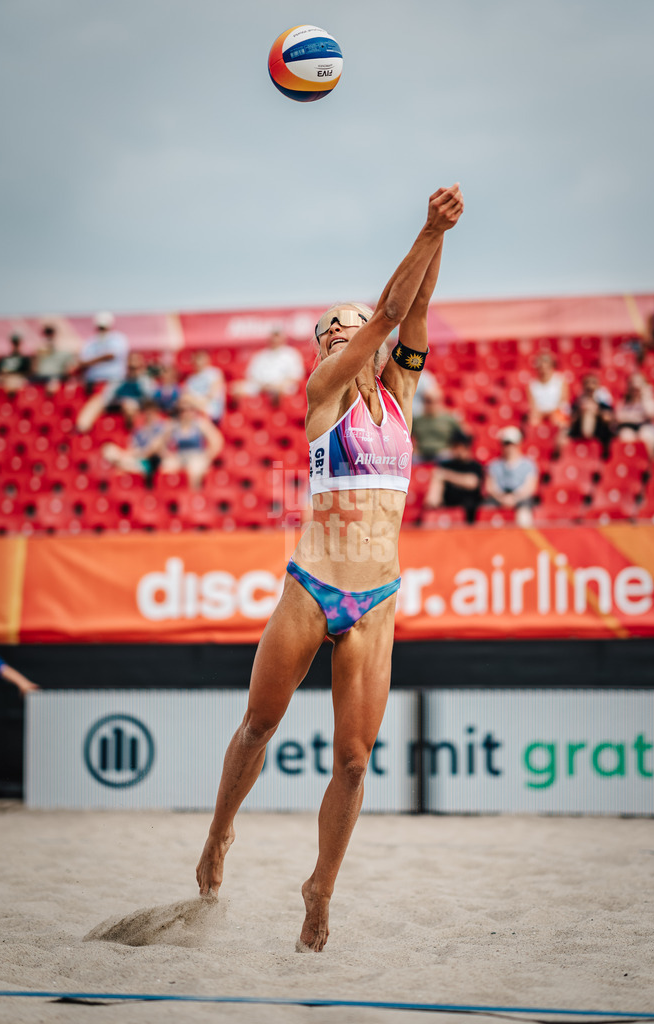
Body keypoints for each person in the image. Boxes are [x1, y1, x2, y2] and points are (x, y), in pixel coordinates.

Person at [195, 184, 464, 952]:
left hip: (377, 596)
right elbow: (386, 315)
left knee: (352, 763)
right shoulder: (322, 394)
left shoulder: (401, 392)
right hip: (312, 586)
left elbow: (408, 318)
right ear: (322, 351)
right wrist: (423, 228)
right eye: (330, 333)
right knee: (259, 725)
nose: (345, 337)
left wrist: (439, 239)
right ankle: (219, 836)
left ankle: (320, 888)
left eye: (349, 331)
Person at [75, 312, 130, 432]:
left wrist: (91, 360)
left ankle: (83, 424)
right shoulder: (90, 342)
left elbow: (110, 355)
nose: (102, 329)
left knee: (100, 398)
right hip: (93, 383)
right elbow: (81, 361)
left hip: (114, 382)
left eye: (104, 327)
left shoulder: (118, 338)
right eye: (100, 327)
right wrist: (98, 358)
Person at [160, 395, 223, 488]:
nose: (186, 413)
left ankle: (193, 498)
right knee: (165, 468)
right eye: (182, 410)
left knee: (194, 471)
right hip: (179, 456)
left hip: (196, 456)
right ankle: (167, 496)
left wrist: (207, 456)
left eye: (189, 409)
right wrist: (167, 454)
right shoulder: (173, 425)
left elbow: (216, 441)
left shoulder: (201, 424)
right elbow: (160, 443)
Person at [423, 432, 483, 523]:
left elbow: (472, 482)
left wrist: (446, 475)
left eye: (460, 446)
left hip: (470, 513)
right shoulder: (445, 465)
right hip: (447, 509)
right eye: (455, 446)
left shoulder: (475, 466)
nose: (458, 450)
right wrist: (433, 502)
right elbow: (432, 499)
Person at [484, 426, 538, 527]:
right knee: (486, 510)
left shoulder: (528, 465)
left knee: (524, 514)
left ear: (519, 444)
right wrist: (503, 499)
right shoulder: (494, 465)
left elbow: (530, 488)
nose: (509, 447)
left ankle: (523, 540)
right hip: (499, 497)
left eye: (512, 444)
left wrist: (514, 498)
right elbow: (490, 487)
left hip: (521, 498)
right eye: (506, 444)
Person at [101, 398, 167, 478]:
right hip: (135, 460)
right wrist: (128, 454)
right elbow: (132, 448)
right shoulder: (139, 429)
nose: (149, 414)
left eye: (151, 411)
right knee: (109, 450)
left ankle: (121, 467)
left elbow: (152, 451)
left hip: (150, 465)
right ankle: (121, 468)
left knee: (121, 462)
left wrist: (130, 454)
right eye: (147, 411)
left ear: (156, 412)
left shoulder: (162, 427)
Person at [235, 329, 305, 401]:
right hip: (260, 386)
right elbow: (251, 376)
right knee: (237, 389)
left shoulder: (291, 354)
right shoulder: (260, 355)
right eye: (273, 337)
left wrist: (276, 386)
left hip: (281, 386)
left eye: (277, 336)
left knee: (279, 391)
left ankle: (278, 411)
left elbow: (296, 376)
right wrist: (264, 386)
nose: (275, 340)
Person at [527, 352, 569, 452]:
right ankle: (535, 446)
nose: (544, 370)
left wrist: (550, 412)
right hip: (540, 413)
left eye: (546, 367)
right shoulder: (532, 384)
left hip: (556, 411)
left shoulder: (560, 381)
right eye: (541, 367)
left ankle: (559, 448)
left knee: (560, 420)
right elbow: (532, 405)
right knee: (533, 420)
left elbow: (563, 401)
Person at [615, 372, 654, 458]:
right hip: (628, 429)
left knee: (646, 435)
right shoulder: (624, 401)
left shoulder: (650, 400)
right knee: (625, 436)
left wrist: (645, 396)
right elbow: (618, 418)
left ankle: (649, 466)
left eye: (639, 384)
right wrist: (637, 417)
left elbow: (651, 414)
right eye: (632, 384)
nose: (635, 387)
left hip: (647, 428)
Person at [567, 373, 615, 457]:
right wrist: (580, 411)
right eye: (587, 383)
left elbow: (610, 419)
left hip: (599, 437)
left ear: (598, 386)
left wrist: (596, 411)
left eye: (593, 383)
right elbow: (570, 421)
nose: (590, 386)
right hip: (579, 437)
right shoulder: (577, 404)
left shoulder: (603, 404)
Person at [411, 388, 464, 461]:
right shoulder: (417, 420)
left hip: (442, 452)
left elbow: (461, 436)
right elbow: (408, 436)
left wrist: (455, 449)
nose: (430, 405)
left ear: (439, 402)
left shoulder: (448, 419)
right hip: (422, 453)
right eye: (426, 401)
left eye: (432, 401)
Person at [31, 323, 77, 393]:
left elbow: (71, 368)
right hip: (41, 378)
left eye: (50, 333)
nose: (49, 336)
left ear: (54, 334)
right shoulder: (38, 352)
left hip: (57, 377)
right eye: (47, 333)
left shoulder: (63, 351)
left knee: (53, 385)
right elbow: (34, 369)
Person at [182, 350, 225, 423]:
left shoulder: (215, 373)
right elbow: (185, 395)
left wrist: (198, 403)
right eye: (197, 358)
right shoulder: (191, 379)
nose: (198, 361)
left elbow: (213, 394)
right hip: (194, 409)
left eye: (201, 358)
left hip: (210, 410)